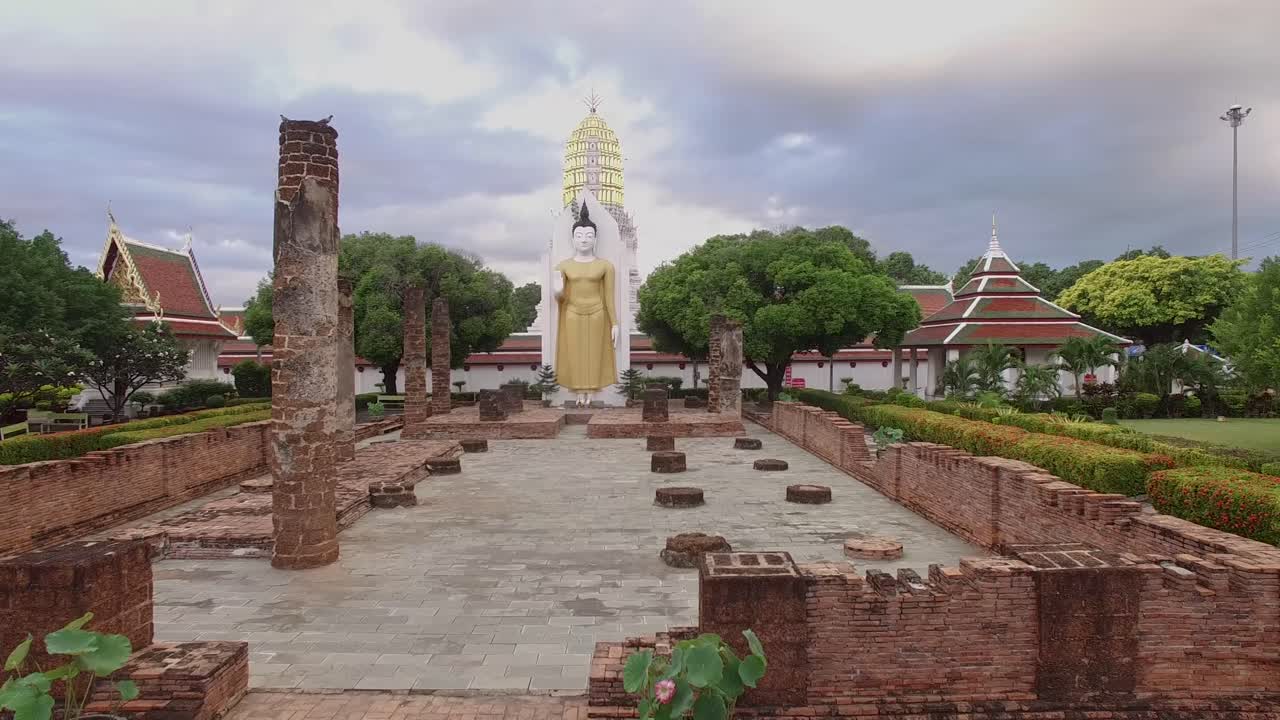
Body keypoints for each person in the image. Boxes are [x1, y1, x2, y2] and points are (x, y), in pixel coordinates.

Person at [553, 204, 619, 407]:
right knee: (574, 353)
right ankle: (578, 391)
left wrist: (615, 323)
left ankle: (591, 390)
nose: (584, 239)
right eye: (580, 235)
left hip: (597, 313)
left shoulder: (605, 265)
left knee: (594, 353)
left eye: (589, 235)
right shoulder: (563, 265)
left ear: (595, 239)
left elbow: (609, 296)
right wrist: (557, 291)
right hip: (572, 312)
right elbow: (560, 298)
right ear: (573, 238)